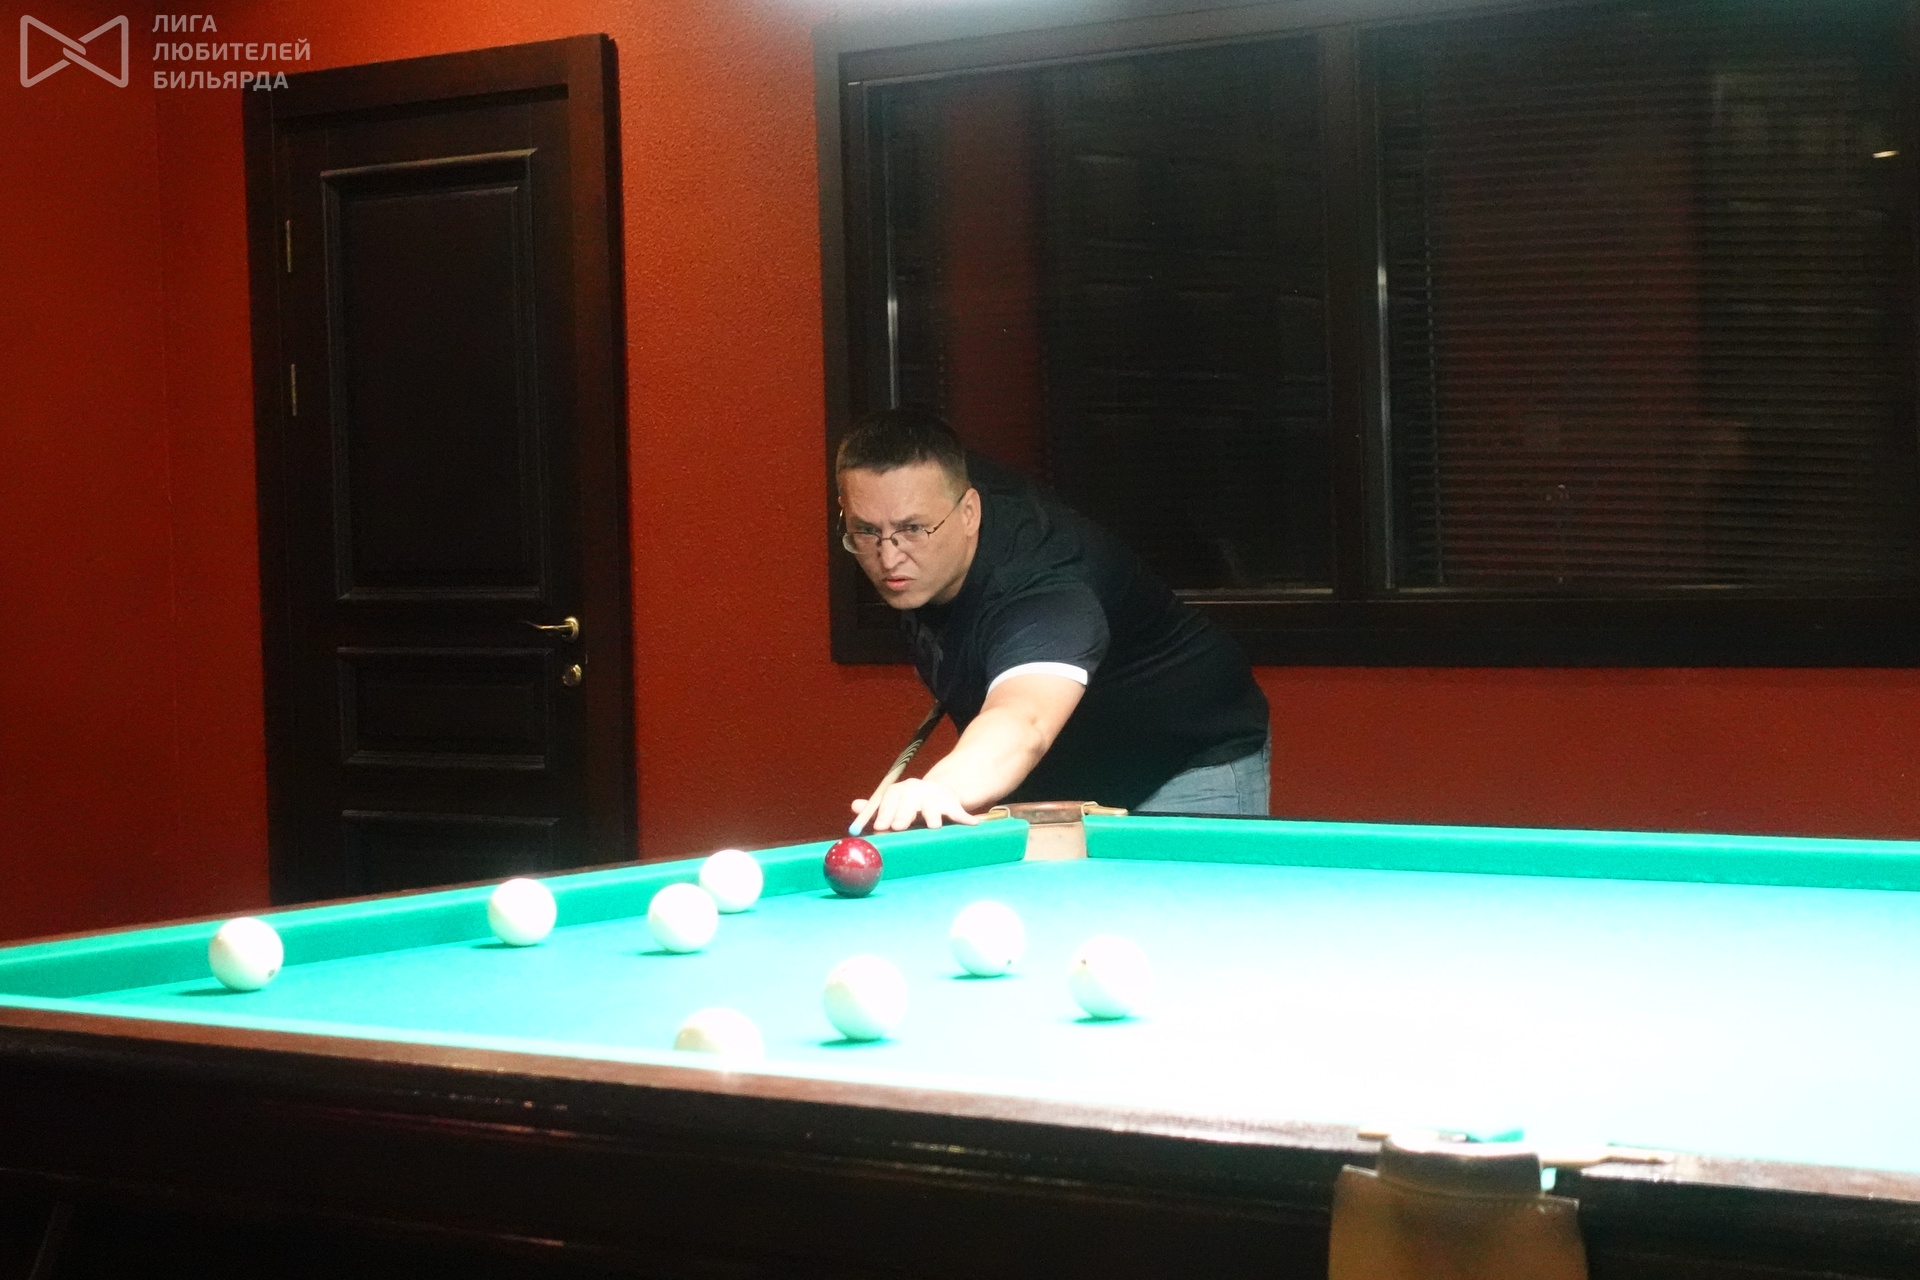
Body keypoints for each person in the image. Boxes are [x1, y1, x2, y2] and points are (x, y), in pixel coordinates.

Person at [838, 407, 1271, 833]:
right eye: (867, 530)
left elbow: (1023, 719)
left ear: (969, 512)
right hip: (1065, 769)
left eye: (913, 529)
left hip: (1183, 761)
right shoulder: (927, 500)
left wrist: (942, 787)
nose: (888, 556)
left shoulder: (1045, 591)